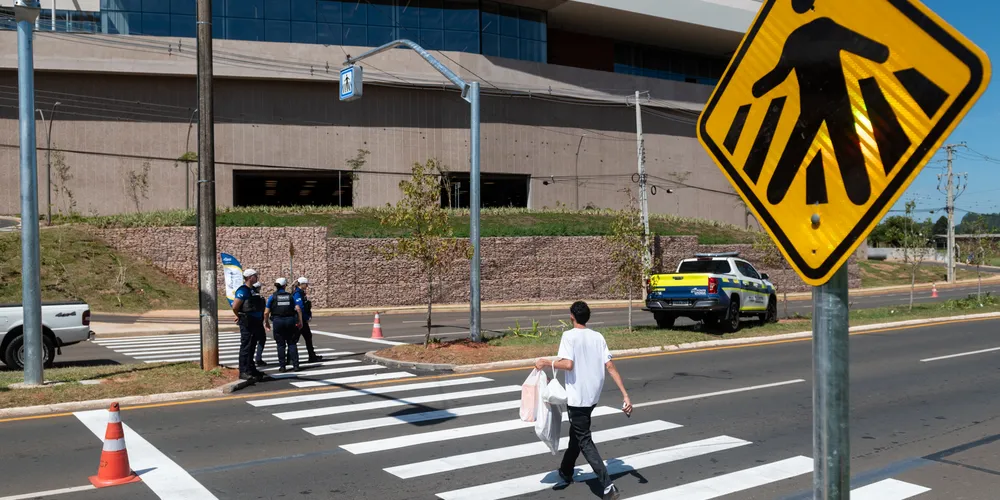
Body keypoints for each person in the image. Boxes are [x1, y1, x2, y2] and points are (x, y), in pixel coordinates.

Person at [534, 301, 631, 500]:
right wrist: (625, 395)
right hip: (593, 396)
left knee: (584, 439)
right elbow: (610, 366)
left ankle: (607, 486)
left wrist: (545, 362)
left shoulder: (568, 336)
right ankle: (566, 470)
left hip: (578, 398)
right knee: (577, 435)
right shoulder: (598, 336)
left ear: (572, 316)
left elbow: (568, 364)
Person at [231, 269, 266, 381]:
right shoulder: (243, 290)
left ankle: (251, 369)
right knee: (246, 346)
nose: (257, 277)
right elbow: (235, 306)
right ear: (250, 277)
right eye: (255, 275)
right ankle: (243, 371)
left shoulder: (253, 290)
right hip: (247, 322)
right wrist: (239, 315)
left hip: (256, 322)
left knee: (252, 346)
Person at [264, 277, 304, 373]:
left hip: (278, 322)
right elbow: (298, 309)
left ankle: (282, 367)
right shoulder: (290, 296)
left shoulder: (272, 297)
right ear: (285, 285)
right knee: (292, 343)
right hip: (290, 321)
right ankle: (296, 366)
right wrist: (300, 321)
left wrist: (266, 323)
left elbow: (266, 312)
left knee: (281, 345)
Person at [292, 276, 323, 363]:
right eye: (306, 284)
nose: (307, 286)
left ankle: (311, 355)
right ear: (301, 284)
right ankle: (291, 358)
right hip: (300, 320)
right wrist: (304, 318)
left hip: (302, 320)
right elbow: (300, 307)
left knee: (307, 337)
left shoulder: (301, 292)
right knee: (295, 340)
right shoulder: (297, 293)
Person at [251, 281, 269, 367]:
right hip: (258, 322)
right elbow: (264, 311)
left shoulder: (247, 296)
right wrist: (266, 321)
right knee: (261, 340)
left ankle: (249, 360)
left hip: (249, 322)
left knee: (250, 342)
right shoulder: (261, 298)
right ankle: (258, 358)